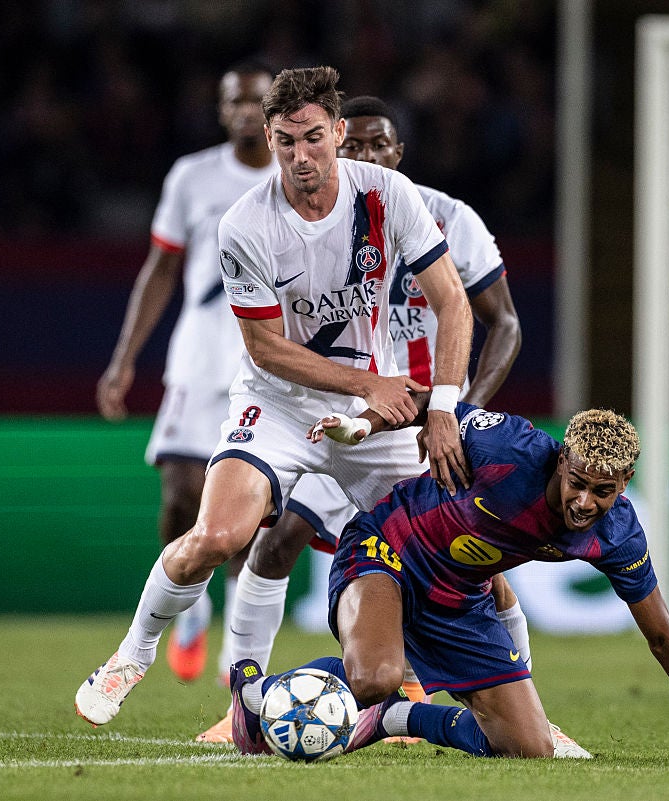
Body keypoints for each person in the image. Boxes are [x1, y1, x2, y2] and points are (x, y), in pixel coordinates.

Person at [74, 65, 474, 728]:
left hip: (371, 418)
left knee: (456, 549)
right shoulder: (245, 224)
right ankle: (133, 655)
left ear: (338, 133)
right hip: (279, 405)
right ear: (269, 138)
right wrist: (367, 383)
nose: (301, 155)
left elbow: (453, 302)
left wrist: (442, 407)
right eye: (286, 141)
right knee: (218, 535)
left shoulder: (387, 194)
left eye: (313, 137)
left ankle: (517, 701)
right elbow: (265, 348)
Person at [196, 94, 535, 744]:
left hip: (425, 424)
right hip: (347, 419)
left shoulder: (445, 218)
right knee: (279, 539)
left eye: (382, 146)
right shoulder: (322, 220)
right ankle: (243, 695)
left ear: (398, 153)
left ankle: (521, 693)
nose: (370, 157)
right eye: (358, 147)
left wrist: (458, 411)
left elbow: (505, 323)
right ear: (339, 149)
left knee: (476, 561)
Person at [228, 398, 669, 762]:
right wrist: (372, 424)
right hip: (386, 550)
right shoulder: (509, 447)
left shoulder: (618, 536)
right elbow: (424, 400)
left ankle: (395, 718)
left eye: (603, 491)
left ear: (625, 483)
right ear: (561, 460)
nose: (584, 502)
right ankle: (252, 691)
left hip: (458, 599)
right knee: (375, 676)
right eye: (577, 482)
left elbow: (662, 634)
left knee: (529, 748)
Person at [94, 62, 277, 685]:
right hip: (200, 349)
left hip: (269, 355)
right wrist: (124, 357)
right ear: (222, 110)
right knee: (179, 489)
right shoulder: (193, 177)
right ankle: (191, 604)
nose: (246, 111)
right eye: (235, 101)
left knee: (252, 506)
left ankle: (236, 652)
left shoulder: (299, 175)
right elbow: (161, 269)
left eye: (257, 101)